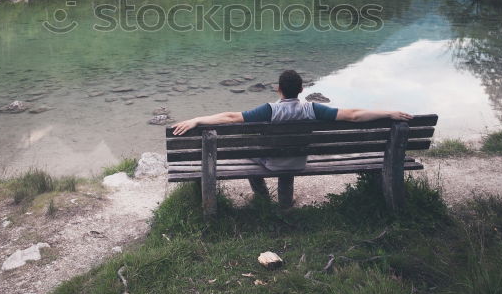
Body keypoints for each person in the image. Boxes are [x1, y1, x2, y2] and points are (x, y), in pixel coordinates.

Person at [171, 69, 412, 198]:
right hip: (298, 160)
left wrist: (197, 119)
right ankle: (285, 204)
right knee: (288, 149)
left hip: (272, 163)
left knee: (250, 153)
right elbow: (353, 115)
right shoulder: (312, 108)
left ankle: (262, 195)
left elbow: (231, 117)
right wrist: (387, 113)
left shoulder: (269, 110)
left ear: (278, 89)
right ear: (302, 90)